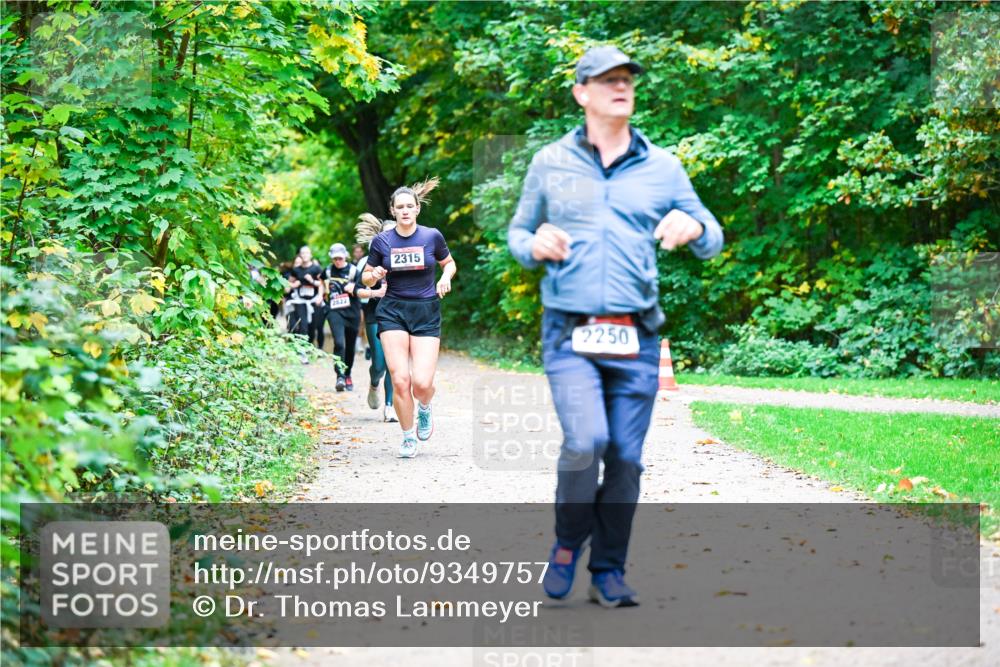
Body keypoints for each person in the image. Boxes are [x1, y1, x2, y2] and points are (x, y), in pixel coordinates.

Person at [507, 45, 723, 608]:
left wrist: (694, 227)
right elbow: (517, 233)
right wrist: (533, 244)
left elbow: (713, 235)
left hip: (637, 336)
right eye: (607, 80)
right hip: (569, 333)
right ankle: (565, 544)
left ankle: (608, 571)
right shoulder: (550, 162)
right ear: (581, 92)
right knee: (586, 443)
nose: (620, 86)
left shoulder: (663, 167)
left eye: (626, 78)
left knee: (626, 457)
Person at [362, 177, 456, 458]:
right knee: (400, 379)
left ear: (417, 209)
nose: (404, 211)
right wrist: (374, 276)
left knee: (422, 384)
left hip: (426, 311)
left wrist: (445, 277)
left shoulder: (431, 236)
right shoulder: (382, 242)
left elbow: (448, 262)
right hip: (392, 311)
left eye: (409, 206)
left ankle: (424, 409)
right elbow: (366, 278)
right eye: (399, 207)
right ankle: (406, 436)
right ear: (393, 211)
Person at [355, 214, 397, 422]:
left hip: (398, 316)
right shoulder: (368, 260)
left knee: (393, 364)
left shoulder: (403, 256)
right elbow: (357, 291)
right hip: (375, 315)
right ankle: (373, 383)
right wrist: (375, 293)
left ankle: (389, 407)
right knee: (379, 364)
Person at [323, 243, 362, 392]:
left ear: (346, 256)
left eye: (340, 258)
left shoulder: (354, 271)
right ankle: (339, 375)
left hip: (352, 312)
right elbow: (321, 281)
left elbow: (363, 288)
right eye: (335, 259)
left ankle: (348, 374)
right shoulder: (327, 271)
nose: (338, 261)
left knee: (350, 346)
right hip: (334, 311)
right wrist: (322, 294)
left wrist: (353, 288)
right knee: (340, 343)